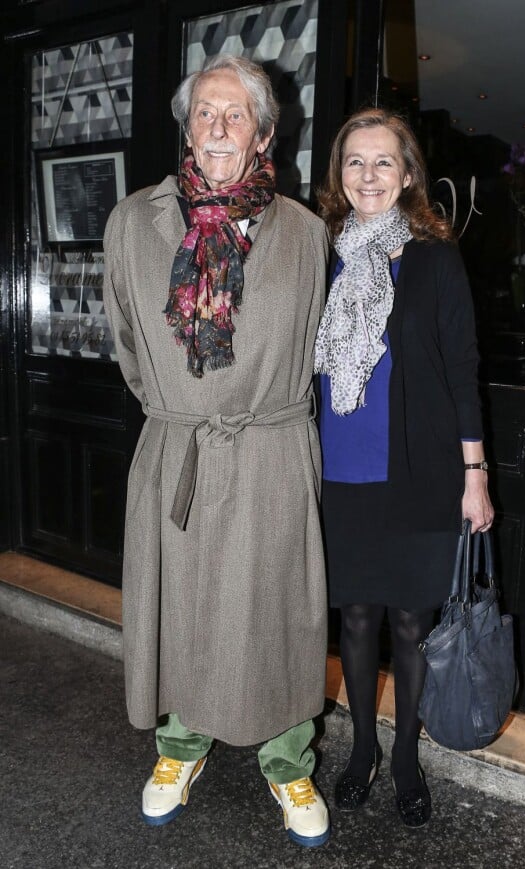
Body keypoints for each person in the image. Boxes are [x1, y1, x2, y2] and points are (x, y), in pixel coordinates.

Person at [103, 54, 330, 848]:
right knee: (183, 605)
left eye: (237, 115)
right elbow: (130, 343)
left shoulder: (307, 233)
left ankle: (287, 758)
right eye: (206, 112)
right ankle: (179, 747)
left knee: (277, 610)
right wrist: (182, 410)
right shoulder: (135, 221)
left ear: (264, 133)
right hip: (179, 450)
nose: (220, 127)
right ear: (187, 128)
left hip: (271, 451)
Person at [314, 108, 494, 828]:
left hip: (420, 470)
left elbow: (463, 370)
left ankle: (407, 758)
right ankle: (361, 749)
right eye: (354, 162)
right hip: (341, 469)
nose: (368, 175)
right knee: (356, 615)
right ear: (340, 175)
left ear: (409, 173)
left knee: (413, 619)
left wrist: (474, 471)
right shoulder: (319, 255)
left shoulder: (434, 258)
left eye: (383, 161)